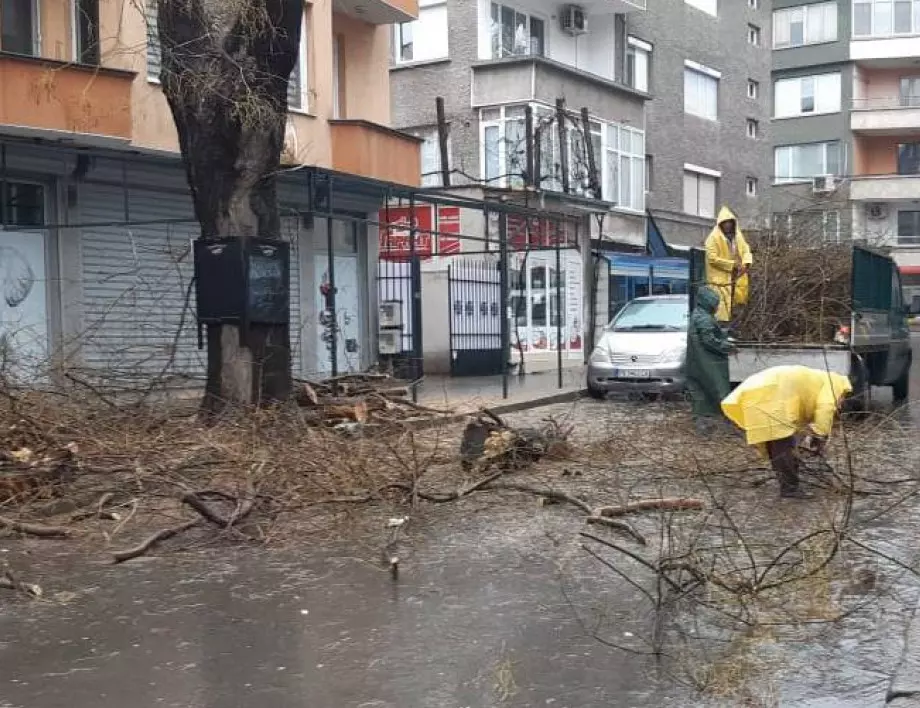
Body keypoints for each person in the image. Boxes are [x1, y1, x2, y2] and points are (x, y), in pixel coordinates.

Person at [721, 365, 853, 499]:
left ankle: (788, 483)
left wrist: (813, 435)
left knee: (776, 443)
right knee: (782, 444)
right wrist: (820, 435)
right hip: (772, 393)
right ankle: (790, 488)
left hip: (763, 391)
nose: (840, 406)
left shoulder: (822, 380)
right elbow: (826, 408)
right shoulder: (835, 384)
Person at [686, 286, 734, 434]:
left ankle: (702, 425)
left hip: (697, 362)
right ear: (709, 303)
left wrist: (723, 333)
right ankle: (727, 426)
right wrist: (726, 345)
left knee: (700, 392)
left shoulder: (699, 314)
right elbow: (709, 340)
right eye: (716, 303)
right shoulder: (704, 318)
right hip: (708, 362)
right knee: (720, 391)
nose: (717, 307)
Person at [705, 206, 753, 325]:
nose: (728, 225)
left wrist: (746, 263)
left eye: (729, 222)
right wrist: (732, 265)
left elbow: (746, 249)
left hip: (736, 278)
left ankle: (734, 328)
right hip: (720, 281)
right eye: (725, 222)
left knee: (738, 307)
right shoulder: (713, 238)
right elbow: (712, 259)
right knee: (722, 311)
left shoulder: (738, 236)